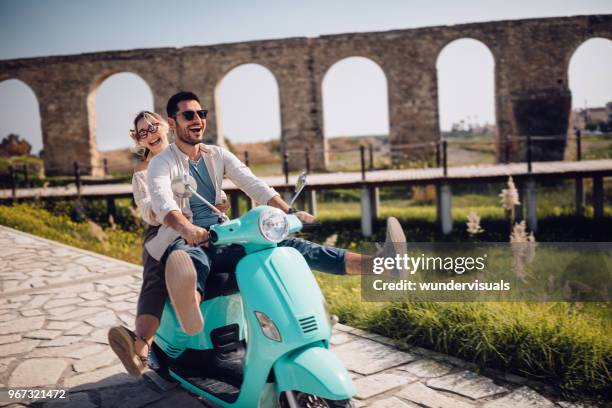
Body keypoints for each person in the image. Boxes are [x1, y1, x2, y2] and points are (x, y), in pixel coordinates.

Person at [110, 91, 406, 377]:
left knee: (288, 246)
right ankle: (187, 309)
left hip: (220, 232)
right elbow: (161, 200)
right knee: (190, 259)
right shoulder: (161, 162)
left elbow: (252, 183)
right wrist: (186, 228)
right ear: (173, 123)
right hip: (185, 237)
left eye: (201, 113)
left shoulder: (217, 154)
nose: (197, 119)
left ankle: (381, 265)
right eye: (189, 115)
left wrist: (287, 212)